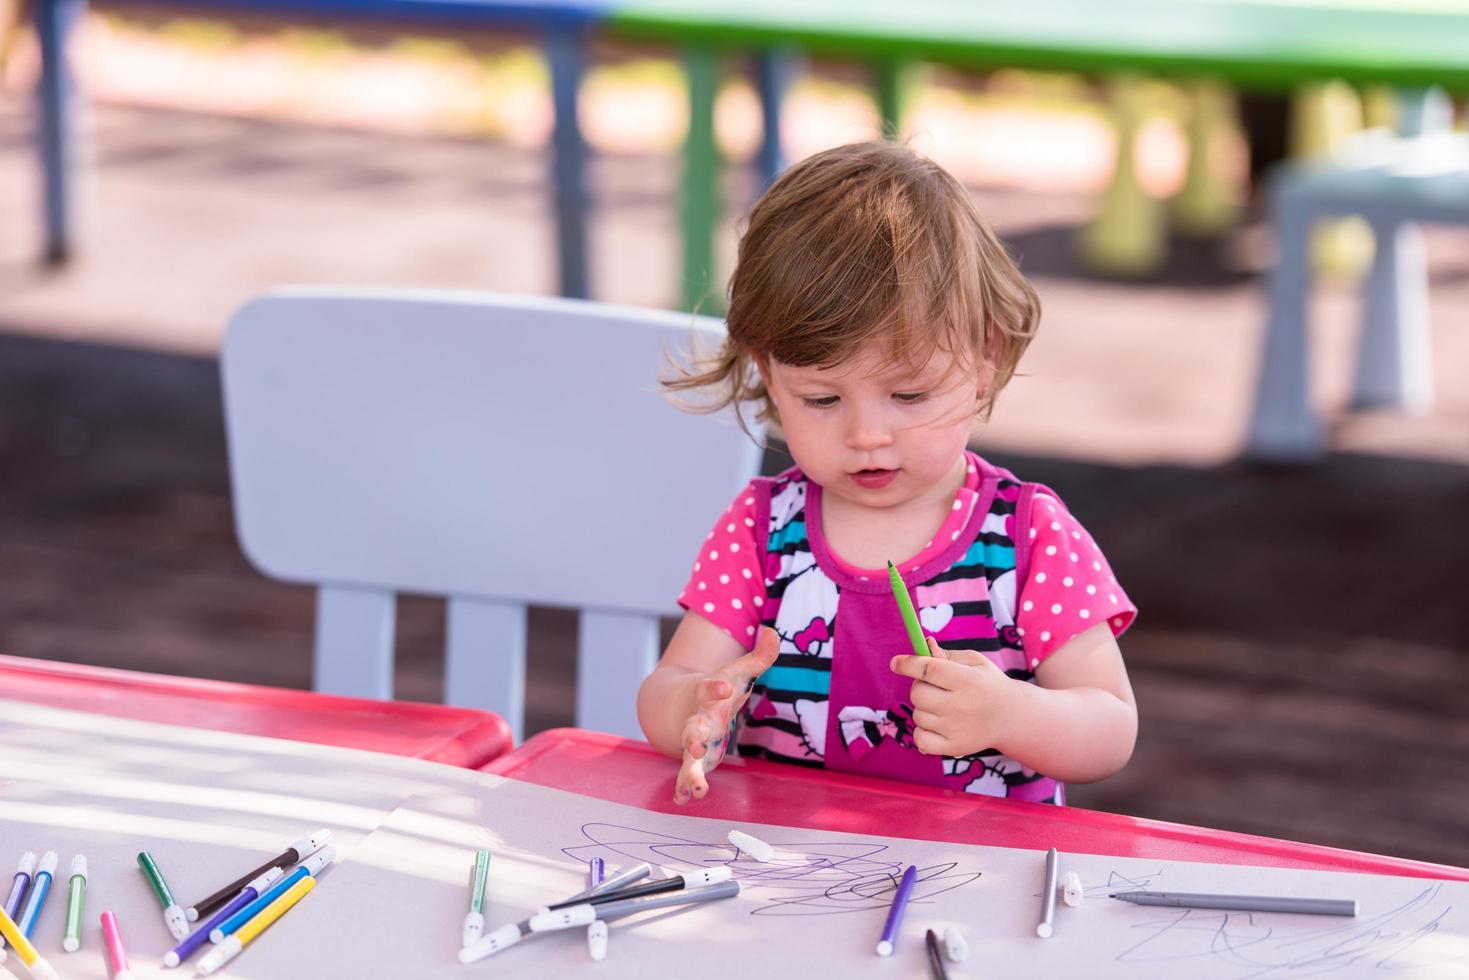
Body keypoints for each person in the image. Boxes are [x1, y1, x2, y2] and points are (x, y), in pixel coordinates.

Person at [637, 140, 1138, 806]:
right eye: (821, 399)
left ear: (986, 356)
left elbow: (1109, 728)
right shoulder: (762, 530)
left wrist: (1009, 714)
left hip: (978, 878)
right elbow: (665, 689)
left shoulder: (1025, 535)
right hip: (780, 864)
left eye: (908, 396)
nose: (866, 435)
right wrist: (694, 710)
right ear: (766, 373)